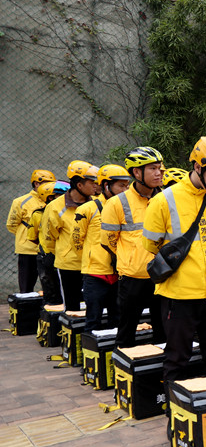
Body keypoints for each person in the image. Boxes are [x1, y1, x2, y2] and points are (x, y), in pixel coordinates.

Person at [143, 136, 206, 382]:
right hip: (179, 295)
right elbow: (150, 245)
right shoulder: (164, 200)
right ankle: (178, 413)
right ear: (197, 167)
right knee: (177, 357)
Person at [105, 147, 166, 346]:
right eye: (153, 169)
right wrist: (131, 258)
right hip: (132, 278)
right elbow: (108, 241)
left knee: (163, 331)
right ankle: (124, 370)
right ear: (136, 172)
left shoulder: (166, 199)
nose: (159, 173)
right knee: (126, 330)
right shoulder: (116, 203)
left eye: (160, 168)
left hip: (162, 276)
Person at [76, 164, 130, 332]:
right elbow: (77, 241)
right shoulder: (86, 209)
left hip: (119, 271)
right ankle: (90, 356)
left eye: (127, 185)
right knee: (93, 318)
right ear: (106, 185)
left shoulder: (126, 208)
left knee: (117, 318)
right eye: (121, 185)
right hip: (95, 273)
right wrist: (92, 257)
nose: (126, 189)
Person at [41, 161, 97, 311]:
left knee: (94, 306)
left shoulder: (98, 204)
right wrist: (61, 254)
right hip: (69, 265)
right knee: (72, 308)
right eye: (92, 183)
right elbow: (48, 238)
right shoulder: (55, 207)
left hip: (95, 265)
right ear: (79, 185)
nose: (96, 186)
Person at [7, 169, 56, 293]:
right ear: (36, 184)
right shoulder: (20, 202)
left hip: (47, 249)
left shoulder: (53, 200)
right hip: (27, 250)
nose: (49, 186)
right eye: (45, 183)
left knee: (50, 284)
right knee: (26, 285)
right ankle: (25, 310)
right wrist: (26, 236)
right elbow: (12, 225)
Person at [28, 181, 68, 305]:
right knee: (50, 290)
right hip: (46, 257)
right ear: (51, 197)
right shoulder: (37, 214)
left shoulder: (67, 212)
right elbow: (32, 236)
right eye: (63, 195)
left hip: (64, 257)